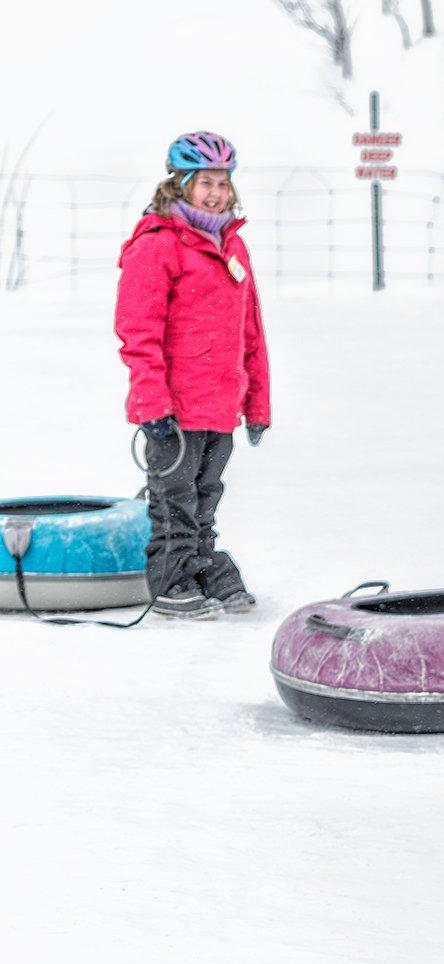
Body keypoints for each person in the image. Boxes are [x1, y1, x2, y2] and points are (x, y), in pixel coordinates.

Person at [114, 131, 271, 618]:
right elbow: (137, 333)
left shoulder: (233, 248)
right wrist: (151, 406)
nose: (216, 193)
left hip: (221, 402)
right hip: (174, 406)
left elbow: (252, 332)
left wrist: (258, 404)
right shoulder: (157, 246)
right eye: (205, 182)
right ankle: (170, 578)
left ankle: (202, 567)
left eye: (223, 183)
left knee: (206, 495)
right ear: (179, 183)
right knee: (173, 497)